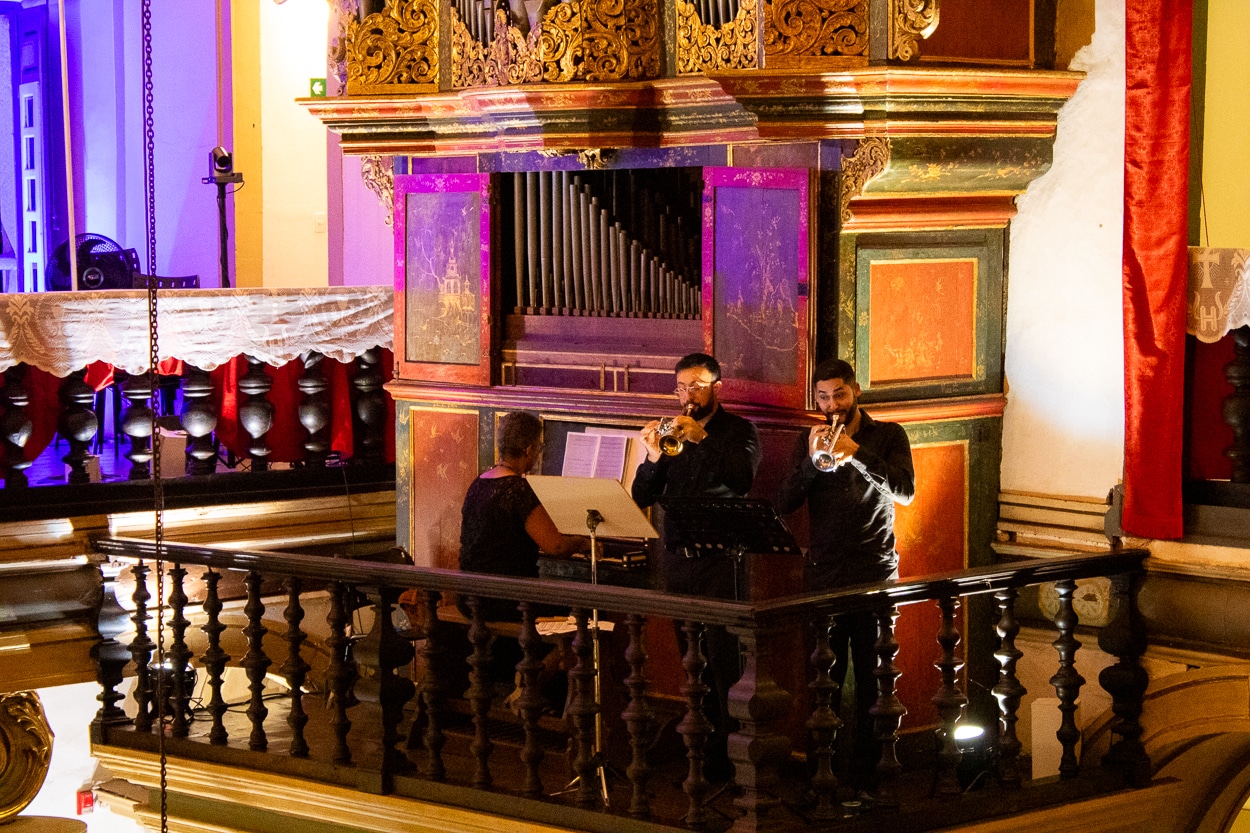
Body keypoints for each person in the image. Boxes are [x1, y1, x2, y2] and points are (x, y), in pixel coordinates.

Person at [776, 358, 915, 794]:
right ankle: (824, 775)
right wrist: (810, 466)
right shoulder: (809, 439)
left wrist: (856, 455)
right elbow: (783, 503)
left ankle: (873, 776)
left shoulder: (888, 436)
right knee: (824, 682)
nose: (831, 404)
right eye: (822, 397)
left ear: (856, 391)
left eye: (839, 394)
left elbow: (906, 492)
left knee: (877, 679)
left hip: (873, 572)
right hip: (823, 571)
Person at [631, 352, 761, 780]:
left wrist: (701, 440)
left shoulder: (739, 431)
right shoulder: (671, 433)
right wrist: (651, 458)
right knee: (692, 660)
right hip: (677, 559)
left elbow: (741, 479)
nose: (688, 395)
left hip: (721, 562)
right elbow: (642, 496)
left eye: (697, 386)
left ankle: (731, 759)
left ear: (717, 388)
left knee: (725, 662)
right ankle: (698, 752)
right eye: (682, 387)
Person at [459, 410, 587, 623]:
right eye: (538, 448)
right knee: (587, 610)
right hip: (506, 600)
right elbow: (556, 547)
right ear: (529, 449)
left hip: (469, 597)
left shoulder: (479, 483)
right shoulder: (518, 490)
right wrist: (583, 543)